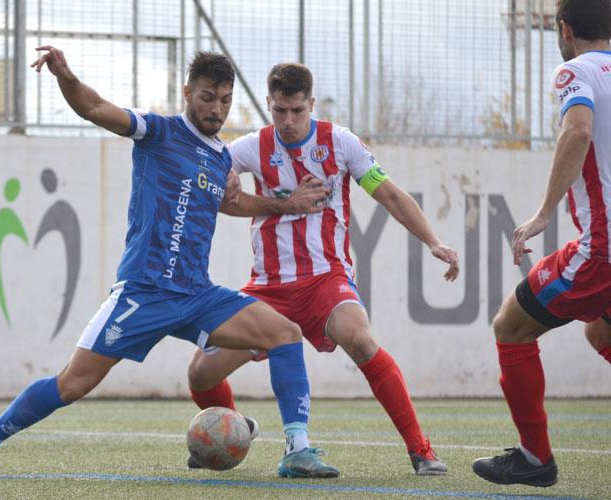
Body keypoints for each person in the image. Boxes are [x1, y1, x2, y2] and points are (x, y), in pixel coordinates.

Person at [0, 48, 340, 479]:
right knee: (72, 384)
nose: (217, 108)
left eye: (225, 99)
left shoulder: (221, 157)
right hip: (143, 292)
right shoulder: (159, 131)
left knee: (284, 333)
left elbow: (234, 202)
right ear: (188, 92)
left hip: (196, 293)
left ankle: (297, 449)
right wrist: (65, 75)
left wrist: (283, 205)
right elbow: (95, 108)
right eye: (208, 97)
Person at [186, 62, 460, 475]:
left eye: (297, 110)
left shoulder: (340, 143)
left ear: (311, 103)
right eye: (280, 111)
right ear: (269, 105)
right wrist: (224, 181)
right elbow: (224, 194)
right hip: (268, 288)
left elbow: (388, 194)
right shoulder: (250, 148)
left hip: (325, 279)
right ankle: (236, 430)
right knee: (200, 374)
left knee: (361, 340)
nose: (289, 121)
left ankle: (420, 449)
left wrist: (433, 241)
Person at [472, 0, 611, 488]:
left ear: (565, 29)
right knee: (601, 333)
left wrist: (544, 213)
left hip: (603, 250)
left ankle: (535, 459)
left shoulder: (574, 71)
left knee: (510, 325)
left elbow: (577, 131)